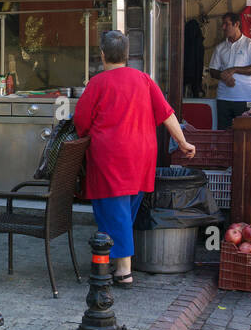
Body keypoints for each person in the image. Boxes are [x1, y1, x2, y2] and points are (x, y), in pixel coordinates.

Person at [74, 31, 197, 287]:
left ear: (103, 54)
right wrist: (183, 142)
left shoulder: (97, 83)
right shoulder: (143, 79)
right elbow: (167, 114)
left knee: (114, 212)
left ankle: (123, 270)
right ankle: (105, 259)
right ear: (127, 56)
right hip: (142, 155)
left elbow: (81, 123)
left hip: (111, 156)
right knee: (123, 211)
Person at [207, 12, 251, 129]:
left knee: (244, 134)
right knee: (223, 134)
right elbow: (212, 70)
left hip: (244, 98)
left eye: (227, 24)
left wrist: (234, 69)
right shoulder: (220, 47)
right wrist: (223, 76)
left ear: (236, 24)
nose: (223, 28)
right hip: (223, 98)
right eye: (223, 24)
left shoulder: (250, 44)